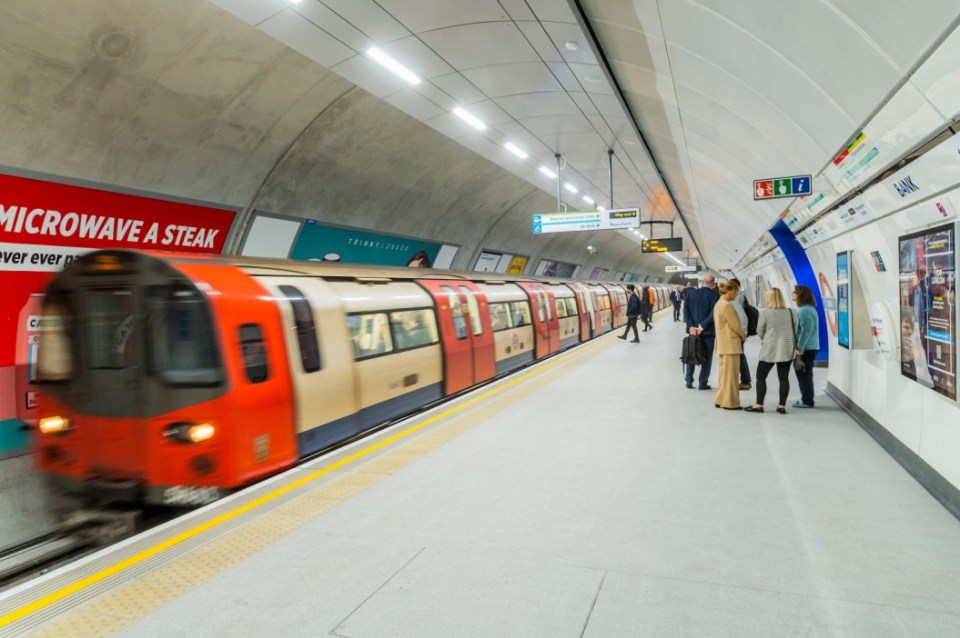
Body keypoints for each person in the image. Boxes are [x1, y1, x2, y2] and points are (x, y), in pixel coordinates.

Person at [744, 288, 796, 414]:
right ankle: (781, 406)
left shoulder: (765, 313)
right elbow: (796, 329)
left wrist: (769, 338)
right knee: (783, 378)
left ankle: (759, 405)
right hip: (786, 349)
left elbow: (760, 332)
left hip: (769, 349)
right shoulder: (792, 312)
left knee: (761, 377)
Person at [683, 274, 719, 389]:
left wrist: (691, 327)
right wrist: (701, 326)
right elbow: (713, 314)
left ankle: (689, 380)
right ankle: (702, 383)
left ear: (703, 282)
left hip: (693, 332)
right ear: (714, 283)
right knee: (707, 358)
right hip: (708, 332)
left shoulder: (691, 294)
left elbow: (686, 311)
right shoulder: (715, 296)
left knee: (691, 353)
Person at [714, 281, 746, 409]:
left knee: (723, 375)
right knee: (731, 376)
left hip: (723, 344)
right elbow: (735, 325)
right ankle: (730, 403)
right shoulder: (727, 306)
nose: (737, 294)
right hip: (731, 345)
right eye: (736, 291)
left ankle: (720, 399)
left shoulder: (718, 304)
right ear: (730, 291)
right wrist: (743, 334)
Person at [792, 284, 820, 408]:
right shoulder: (807, 309)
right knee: (804, 374)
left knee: (804, 374)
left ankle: (808, 401)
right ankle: (806, 399)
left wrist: (800, 348)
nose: (792, 294)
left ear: (800, 295)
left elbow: (806, 331)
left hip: (806, 349)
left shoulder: (805, 311)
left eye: (795, 292)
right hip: (808, 347)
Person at [728, 278, 751, 391]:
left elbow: (743, 317)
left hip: (738, 333)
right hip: (740, 332)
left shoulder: (735, 299)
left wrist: (744, 332)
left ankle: (745, 381)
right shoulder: (741, 296)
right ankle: (745, 380)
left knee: (740, 357)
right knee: (741, 356)